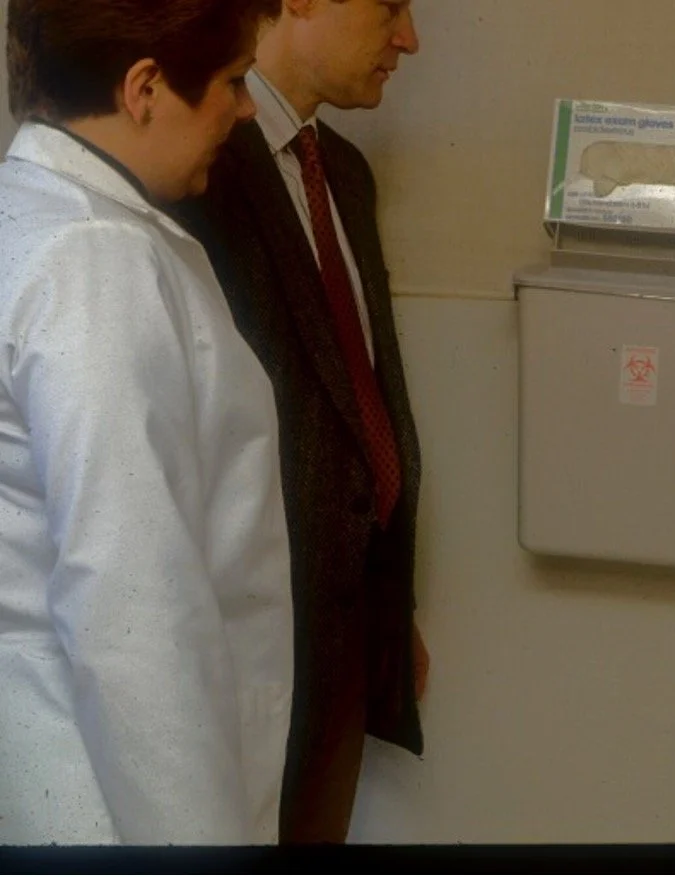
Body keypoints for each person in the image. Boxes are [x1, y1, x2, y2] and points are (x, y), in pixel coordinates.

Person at [0, 0, 291, 845]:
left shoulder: (29, 214)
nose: (245, 109)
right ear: (145, 88)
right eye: (235, 83)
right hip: (106, 795)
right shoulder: (94, 259)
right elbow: (131, 609)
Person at [173, 0, 426, 844]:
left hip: (346, 637)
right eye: (390, 5)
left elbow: (357, 402)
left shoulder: (344, 172)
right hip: (251, 646)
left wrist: (391, 606)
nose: (409, 38)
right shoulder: (193, 168)